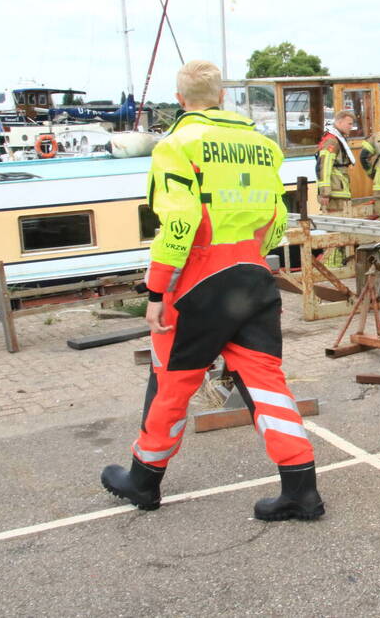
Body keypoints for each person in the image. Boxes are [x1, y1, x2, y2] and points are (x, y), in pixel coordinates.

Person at [100, 60, 324, 522]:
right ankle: (302, 489)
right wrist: (248, 256)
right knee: (267, 384)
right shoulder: (262, 146)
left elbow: (179, 224)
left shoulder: (176, 145)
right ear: (222, 96)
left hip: (198, 280)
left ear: (181, 100)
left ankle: (144, 480)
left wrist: (156, 291)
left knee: (172, 381)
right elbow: (277, 220)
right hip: (253, 272)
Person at [316, 110, 357, 213]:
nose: (351, 127)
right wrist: (325, 193)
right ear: (339, 122)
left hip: (339, 190)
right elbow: (324, 166)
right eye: (349, 124)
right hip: (335, 192)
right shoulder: (332, 141)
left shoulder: (337, 139)